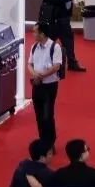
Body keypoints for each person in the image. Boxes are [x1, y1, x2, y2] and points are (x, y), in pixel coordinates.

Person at [43, 0, 85, 72]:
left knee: (51, 40)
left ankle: (46, 61)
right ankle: (71, 62)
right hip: (59, 15)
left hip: (56, 15)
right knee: (67, 39)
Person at [27, 21, 63, 149]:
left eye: (35, 31)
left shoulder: (55, 47)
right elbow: (29, 64)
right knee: (39, 115)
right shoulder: (34, 47)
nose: (33, 34)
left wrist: (42, 75)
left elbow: (56, 66)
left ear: (42, 33)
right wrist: (34, 75)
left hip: (49, 86)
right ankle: (43, 139)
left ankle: (50, 141)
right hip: (37, 85)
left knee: (47, 115)